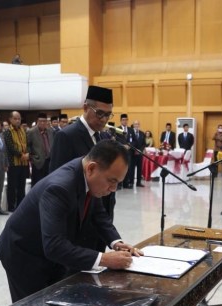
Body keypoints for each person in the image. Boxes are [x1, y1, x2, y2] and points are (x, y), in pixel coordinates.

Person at [0, 140, 142, 306]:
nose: (113, 189)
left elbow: (98, 214)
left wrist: (116, 242)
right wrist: (105, 259)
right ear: (92, 168)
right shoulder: (60, 187)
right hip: (23, 254)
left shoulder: (88, 176)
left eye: (118, 183)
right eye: (112, 181)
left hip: (47, 252)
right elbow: (54, 246)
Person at [49, 85, 116, 225]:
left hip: (102, 216)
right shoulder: (67, 136)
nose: (104, 119)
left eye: (108, 115)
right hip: (78, 216)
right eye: (100, 113)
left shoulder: (104, 137)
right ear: (86, 108)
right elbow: (56, 180)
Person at [4, 111, 29, 211]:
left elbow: (27, 144)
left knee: (21, 186)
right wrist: (20, 155)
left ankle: (20, 206)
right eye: (15, 118)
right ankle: (11, 207)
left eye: (19, 118)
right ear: (10, 119)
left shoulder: (23, 130)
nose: (18, 120)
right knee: (12, 186)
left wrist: (27, 154)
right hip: (13, 163)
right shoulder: (7, 131)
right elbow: (10, 147)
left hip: (23, 163)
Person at [27, 112, 54, 186]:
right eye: (40, 121)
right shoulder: (31, 132)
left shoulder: (50, 131)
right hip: (38, 161)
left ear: (47, 122)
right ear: (37, 121)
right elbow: (27, 146)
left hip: (49, 161)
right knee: (37, 184)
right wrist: (32, 157)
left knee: (48, 183)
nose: (42, 123)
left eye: (44, 121)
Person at [130, 120, 146, 187]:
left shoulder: (142, 133)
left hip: (140, 154)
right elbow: (130, 142)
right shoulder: (130, 133)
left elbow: (144, 144)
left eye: (138, 124)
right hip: (132, 153)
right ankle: (131, 182)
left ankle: (138, 182)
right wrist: (134, 150)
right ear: (133, 125)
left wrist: (140, 150)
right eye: (135, 124)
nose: (137, 125)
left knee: (139, 168)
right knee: (132, 168)